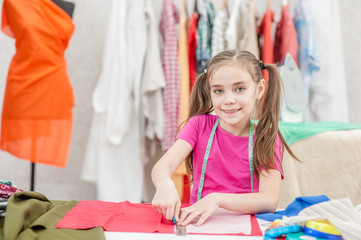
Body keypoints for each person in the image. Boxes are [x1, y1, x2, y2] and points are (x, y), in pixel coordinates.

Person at [151, 50, 298, 226]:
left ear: (259, 90)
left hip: (247, 228)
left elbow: (269, 200)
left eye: (240, 89)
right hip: (201, 226)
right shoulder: (198, 126)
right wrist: (164, 184)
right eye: (219, 91)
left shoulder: (266, 137)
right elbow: (162, 167)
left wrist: (216, 199)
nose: (228, 99)